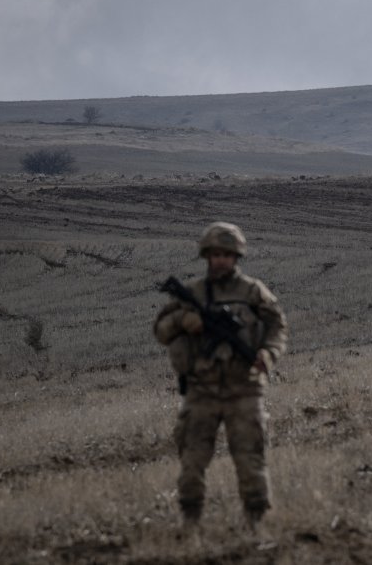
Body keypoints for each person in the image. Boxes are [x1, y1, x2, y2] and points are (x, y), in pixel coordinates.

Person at [153, 222, 289, 532]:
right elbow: (161, 331)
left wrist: (268, 354)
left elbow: (277, 328)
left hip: (245, 388)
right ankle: (190, 521)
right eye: (214, 254)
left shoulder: (253, 292)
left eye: (226, 255)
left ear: (236, 257)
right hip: (202, 390)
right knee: (191, 460)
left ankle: (256, 521)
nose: (220, 261)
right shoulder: (194, 293)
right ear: (206, 256)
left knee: (250, 457)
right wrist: (185, 320)